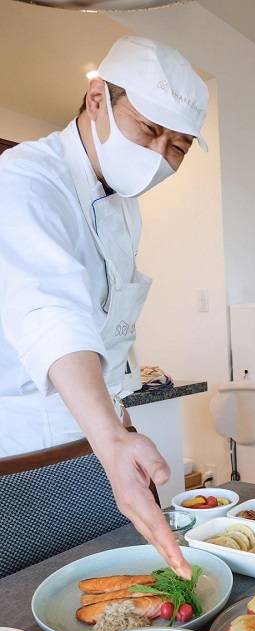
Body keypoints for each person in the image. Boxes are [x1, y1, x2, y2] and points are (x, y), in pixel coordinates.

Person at [0, 36, 210, 576]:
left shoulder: (123, 207)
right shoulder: (25, 179)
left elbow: (110, 326)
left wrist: (119, 423)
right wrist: (113, 436)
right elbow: (54, 315)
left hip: (99, 438)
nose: (160, 155)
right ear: (97, 99)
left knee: (125, 582)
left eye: (179, 147)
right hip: (23, 457)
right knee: (37, 603)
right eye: (149, 130)